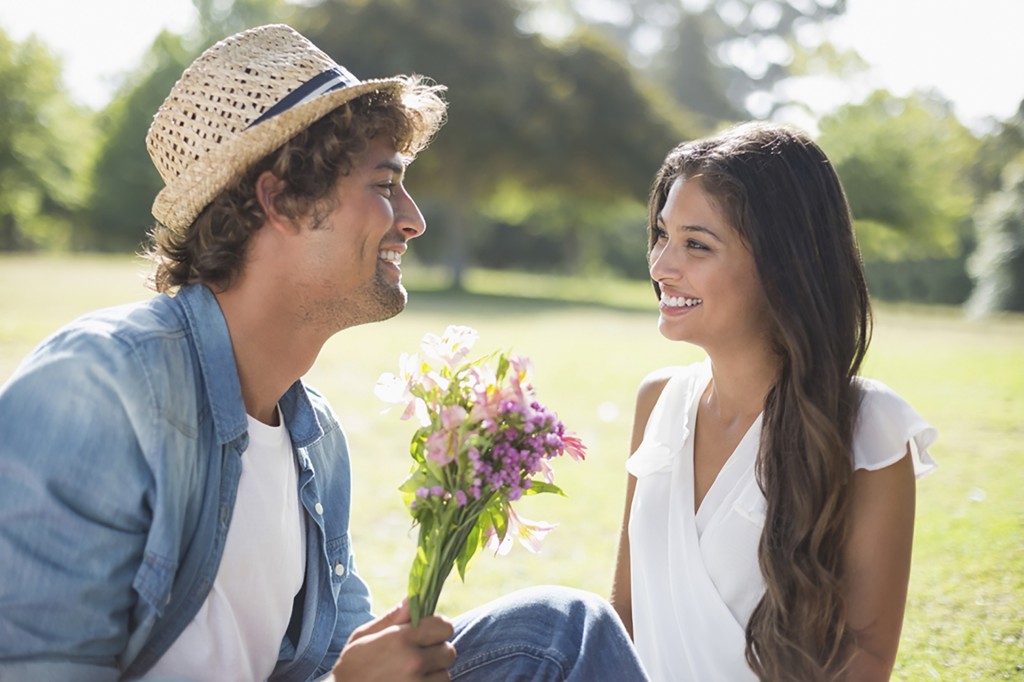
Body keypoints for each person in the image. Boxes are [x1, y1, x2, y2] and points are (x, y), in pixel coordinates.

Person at [0, 24, 648, 682]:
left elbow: (331, 659)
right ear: (280, 198)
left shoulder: (315, 437)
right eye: (384, 183)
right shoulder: (98, 390)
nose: (413, 218)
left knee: (559, 631)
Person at [610, 122, 938, 682]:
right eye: (662, 235)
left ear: (783, 262)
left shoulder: (868, 429)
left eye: (696, 244)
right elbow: (623, 622)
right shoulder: (657, 402)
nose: (662, 266)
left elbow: (866, 659)